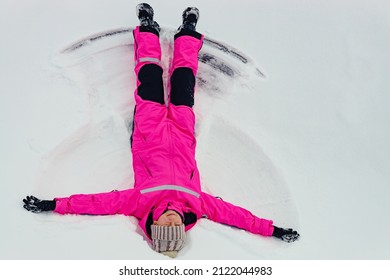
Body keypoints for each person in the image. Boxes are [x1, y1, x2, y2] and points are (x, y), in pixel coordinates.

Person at [23, 3, 300, 258]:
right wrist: (272, 230)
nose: (171, 220)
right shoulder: (197, 205)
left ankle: (147, 29)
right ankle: (187, 33)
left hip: (148, 126)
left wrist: (53, 205)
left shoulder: (139, 202)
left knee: (149, 74)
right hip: (182, 128)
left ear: (153, 223)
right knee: (183, 80)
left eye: (164, 224)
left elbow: (97, 203)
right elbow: (236, 216)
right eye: (175, 225)